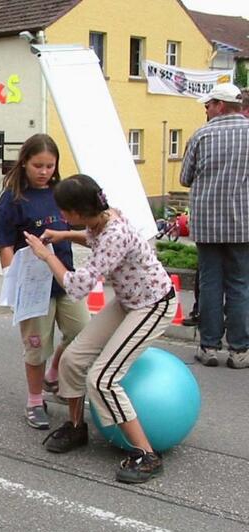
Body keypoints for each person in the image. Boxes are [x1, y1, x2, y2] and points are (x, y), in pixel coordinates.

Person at [23, 174, 177, 484]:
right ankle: (76, 427)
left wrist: (46, 255)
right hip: (129, 300)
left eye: (64, 211)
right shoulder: (102, 218)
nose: (61, 215)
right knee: (72, 359)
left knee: (103, 378)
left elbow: (77, 286)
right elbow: (92, 236)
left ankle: (147, 455)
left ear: (78, 212)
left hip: (153, 304)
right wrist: (64, 235)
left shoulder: (114, 233)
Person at [0, 134, 89, 430]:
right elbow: (5, 244)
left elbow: (79, 225)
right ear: (24, 162)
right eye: (38, 165)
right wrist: (12, 282)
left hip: (65, 279)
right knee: (37, 347)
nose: (44, 171)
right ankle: (35, 401)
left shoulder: (61, 192)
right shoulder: (12, 199)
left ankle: (54, 372)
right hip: (33, 287)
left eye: (50, 165)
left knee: (83, 333)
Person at [180, 82, 249, 369]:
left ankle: (208, 346)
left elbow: (185, 178)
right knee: (240, 284)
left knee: (210, 283)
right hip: (243, 223)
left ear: (220, 106)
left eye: (208, 105)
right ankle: (240, 350)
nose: (206, 110)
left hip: (207, 224)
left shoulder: (201, 135)